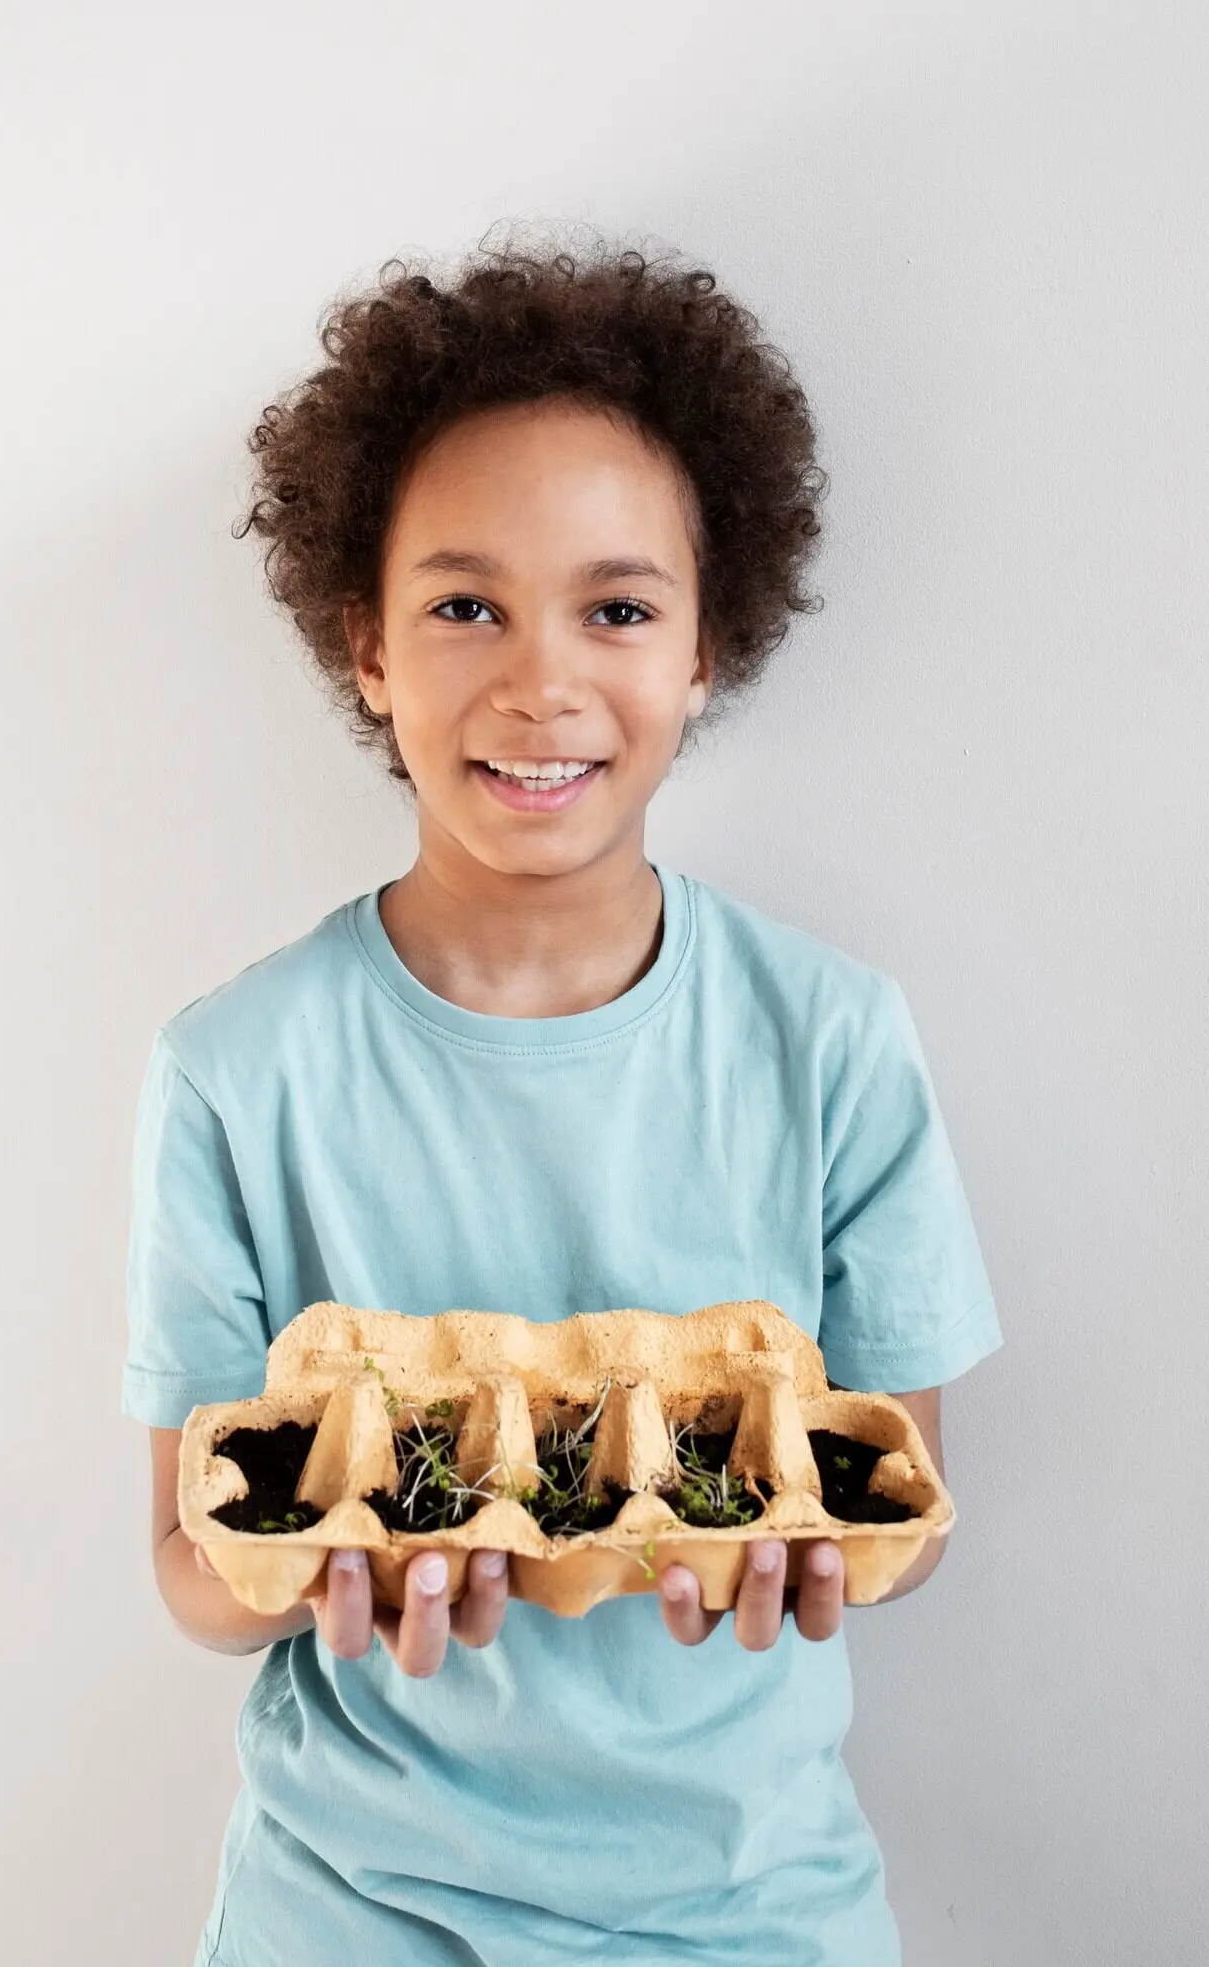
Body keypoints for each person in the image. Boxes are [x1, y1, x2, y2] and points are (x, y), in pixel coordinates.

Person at [122, 232, 1003, 1965]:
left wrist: (816, 1542)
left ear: (705, 648)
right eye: (465, 606)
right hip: (350, 1909)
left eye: (617, 607)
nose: (542, 683)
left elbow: (893, 1498)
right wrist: (302, 1562)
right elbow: (184, 1564)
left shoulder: (831, 1039)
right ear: (364, 644)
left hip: (751, 1912)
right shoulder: (235, 1073)